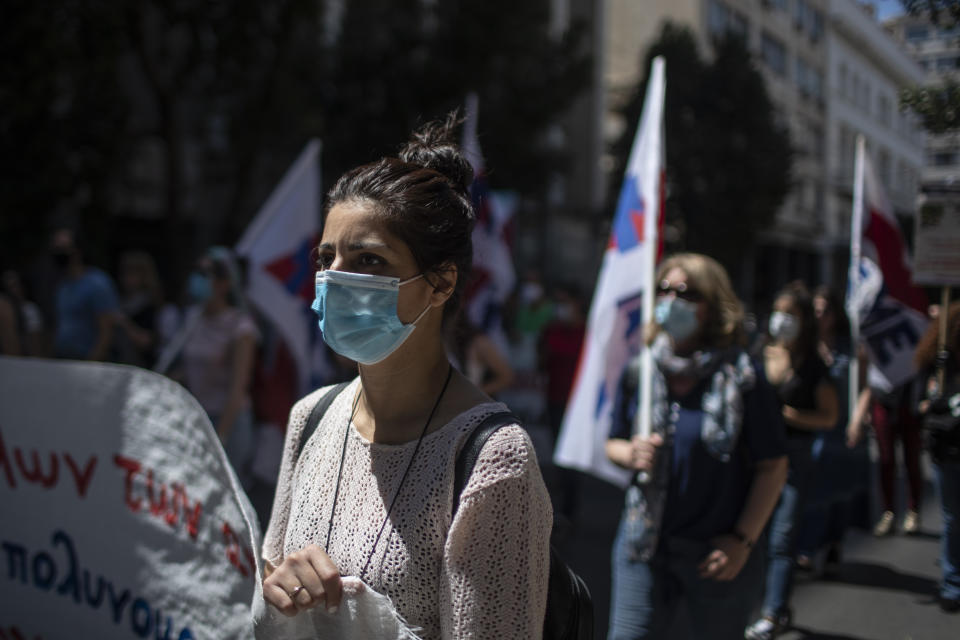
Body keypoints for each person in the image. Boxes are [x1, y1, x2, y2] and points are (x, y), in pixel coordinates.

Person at [258, 116, 552, 638]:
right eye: (327, 258)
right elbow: (269, 603)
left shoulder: (492, 458)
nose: (335, 278)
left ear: (440, 284)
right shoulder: (311, 418)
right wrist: (280, 592)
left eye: (368, 259)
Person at [605, 253, 788, 640]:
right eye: (665, 290)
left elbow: (773, 467)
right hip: (643, 546)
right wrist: (629, 453)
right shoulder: (643, 368)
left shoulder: (743, 377)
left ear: (712, 305)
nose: (672, 300)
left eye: (685, 293)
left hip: (716, 555)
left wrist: (741, 541)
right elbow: (612, 443)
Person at [746, 282, 839, 640]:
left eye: (792, 315)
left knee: (781, 539)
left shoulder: (813, 366)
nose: (783, 320)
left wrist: (789, 416)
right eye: (779, 312)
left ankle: (774, 611)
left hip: (793, 461)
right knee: (753, 534)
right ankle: (756, 603)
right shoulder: (758, 351)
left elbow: (829, 417)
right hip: (754, 459)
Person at [794, 286, 869, 574]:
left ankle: (834, 542)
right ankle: (806, 547)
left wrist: (858, 419)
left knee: (839, 489)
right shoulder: (806, 347)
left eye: (825, 310)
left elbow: (865, 388)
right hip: (814, 427)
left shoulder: (851, 349)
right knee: (813, 489)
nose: (820, 316)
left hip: (843, 429)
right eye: (816, 310)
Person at [179, 246, 260, 487]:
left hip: (227, 424)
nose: (198, 280)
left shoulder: (240, 327)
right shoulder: (192, 319)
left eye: (207, 275)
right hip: (196, 421)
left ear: (224, 284)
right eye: (197, 273)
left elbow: (238, 389)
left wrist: (221, 436)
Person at [915, 301, 960, 613]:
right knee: (952, 519)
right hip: (949, 449)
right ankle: (952, 582)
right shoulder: (938, 365)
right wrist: (938, 400)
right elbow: (920, 406)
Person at [49, 227, 119, 361]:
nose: (58, 253)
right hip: (64, 359)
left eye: (63, 248)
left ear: (77, 251)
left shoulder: (97, 284)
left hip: (86, 361)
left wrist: (92, 362)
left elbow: (107, 329)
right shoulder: (62, 286)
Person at [445, 312, 515, 397]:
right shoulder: (441, 342)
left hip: (467, 404)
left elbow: (507, 376)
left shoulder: (478, 343)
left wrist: (473, 395)